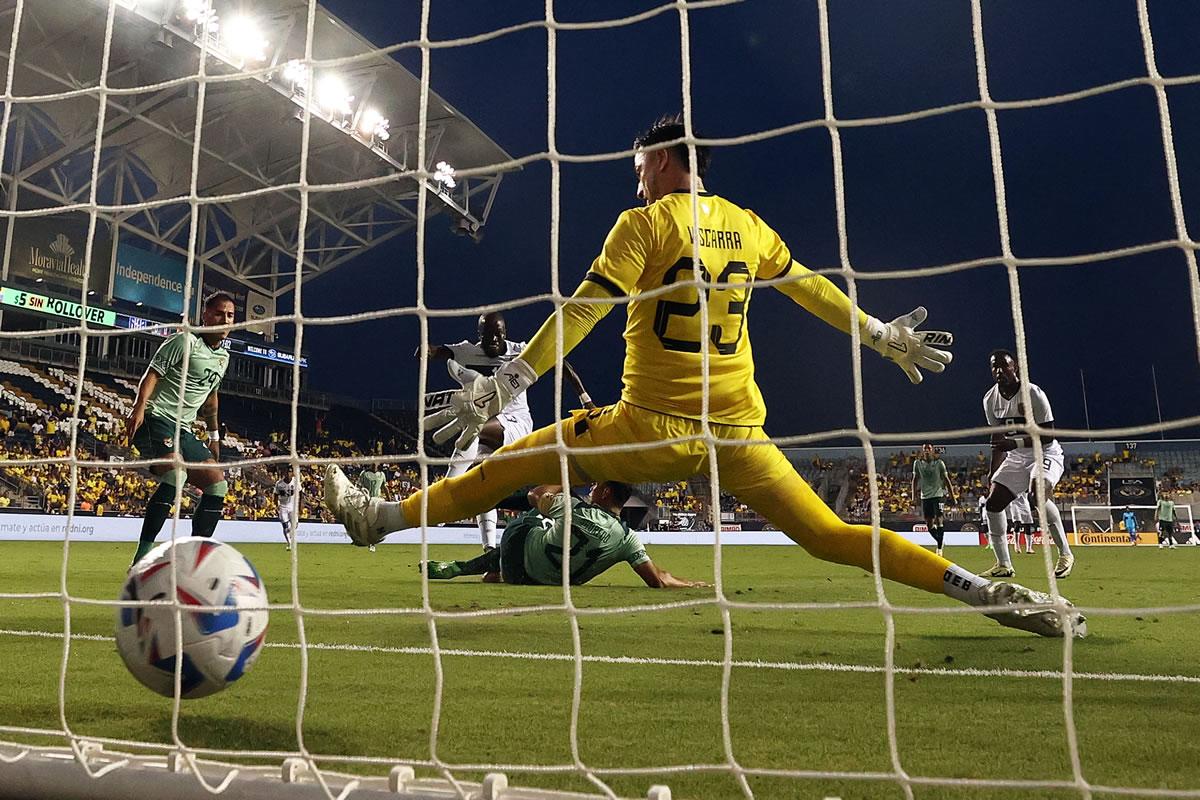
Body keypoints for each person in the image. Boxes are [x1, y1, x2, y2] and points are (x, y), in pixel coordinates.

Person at [327, 116, 1085, 638]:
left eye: (637, 166)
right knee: (833, 535)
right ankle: (985, 591)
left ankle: (376, 521)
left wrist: (514, 377)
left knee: (506, 469)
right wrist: (880, 333)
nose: (634, 180)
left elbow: (587, 307)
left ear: (659, 160)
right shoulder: (748, 226)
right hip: (739, 436)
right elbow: (811, 286)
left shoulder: (646, 223)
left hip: (646, 428)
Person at [421, 481, 707, 588]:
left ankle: (464, 562)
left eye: (595, 485)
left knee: (533, 515)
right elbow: (657, 580)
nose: (591, 487)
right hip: (535, 581)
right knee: (544, 530)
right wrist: (689, 583)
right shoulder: (627, 537)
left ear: (606, 492)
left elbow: (535, 495)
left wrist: (568, 476)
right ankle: (491, 570)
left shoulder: (575, 506)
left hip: (516, 555)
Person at [127, 291, 235, 567]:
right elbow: (152, 373)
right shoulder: (184, 341)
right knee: (176, 474)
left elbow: (211, 400)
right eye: (220, 313)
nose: (225, 320)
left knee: (217, 483)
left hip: (184, 429)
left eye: (230, 315)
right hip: (156, 417)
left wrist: (214, 436)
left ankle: (195, 559)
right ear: (206, 315)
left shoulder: (223, 357)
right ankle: (142, 556)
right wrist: (139, 407)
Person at [418, 312, 533, 551]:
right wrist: (427, 350)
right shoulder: (466, 351)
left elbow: (561, 361)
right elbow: (440, 351)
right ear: (479, 335)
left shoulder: (521, 351)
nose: (494, 339)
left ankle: (454, 489)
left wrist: (585, 399)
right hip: (481, 420)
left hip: (515, 422)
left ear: (506, 334)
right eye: (489, 334)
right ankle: (489, 550)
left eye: (499, 334)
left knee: (477, 441)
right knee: (469, 479)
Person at [981, 349, 1075, 579]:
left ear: (1016, 368)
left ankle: (1066, 554)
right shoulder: (989, 399)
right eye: (995, 366)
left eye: (1005, 366)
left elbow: (1048, 435)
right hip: (1017, 458)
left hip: (1044, 452)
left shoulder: (1034, 394)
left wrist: (1013, 443)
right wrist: (993, 476)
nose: (999, 371)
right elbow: (997, 441)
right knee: (993, 504)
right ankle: (1003, 563)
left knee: (1037, 495)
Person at [911, 444, 957, 557]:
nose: (927, 450)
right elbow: (914, 480)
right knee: (929, 523)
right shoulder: (917, 463)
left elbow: (946, 480)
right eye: (925, 449)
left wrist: (953, 496)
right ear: (922, 451)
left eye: (929, 449)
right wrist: (913, 496)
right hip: (925, 496)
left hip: (938, 495)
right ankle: (940, 540)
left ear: (932, 451)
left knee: (939, 518)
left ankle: (939, 548)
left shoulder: (939, 463)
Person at [357, 465, 386, 552]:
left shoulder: (381, 474)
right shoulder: (364, 474)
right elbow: (358, 486)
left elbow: (384, 487)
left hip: (377, 500)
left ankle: (372, 542)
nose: (374, 465)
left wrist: (389, 498)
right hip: (366, 500)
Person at [273, 469, 298, 550]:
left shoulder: (296, 481)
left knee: (295, 524)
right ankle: (289, 543)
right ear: (284, 473)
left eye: (290, 472)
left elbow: (300, 492)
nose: (288, 474)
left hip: (293, 506)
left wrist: (301, 505)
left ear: (292, 473)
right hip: (283, 507)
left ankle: (290, 533)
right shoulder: (279, 483)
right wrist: (276, 506)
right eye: (287, 472)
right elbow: (275, 495)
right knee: (285, 526)